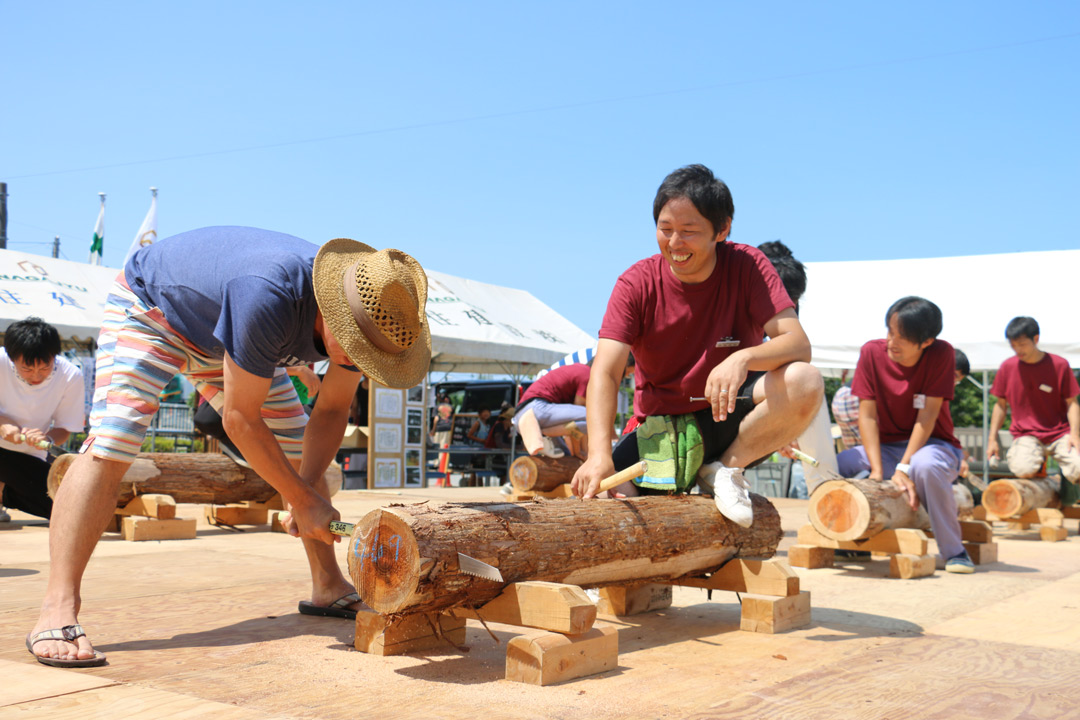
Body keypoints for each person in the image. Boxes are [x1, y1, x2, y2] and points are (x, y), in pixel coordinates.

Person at [26, 227, 431, 668]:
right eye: (354, 352)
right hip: (154, 309)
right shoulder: (268, 294)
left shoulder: (369, 310)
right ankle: (57, 607)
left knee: (298, 451)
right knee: (114, 441)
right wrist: (300, 498)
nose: (356, 363)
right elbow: (239, 419)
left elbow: (332, 410)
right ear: (333, 314)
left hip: (228, 333)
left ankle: (328, 586)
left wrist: (307, 490)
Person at [571, 164, 823, 528]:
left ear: (723, 229)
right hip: (662, 428)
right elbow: (606, 372)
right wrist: (597, 455)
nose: (675, 244)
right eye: (665, 229)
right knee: (611, 507)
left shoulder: (749, 265)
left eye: (689, 232)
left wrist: (743, 357)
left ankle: (725, 472)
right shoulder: (635, 283)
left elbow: (798, 344)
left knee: (805, 380)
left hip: (728, 416)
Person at [836, 296, 973, 573]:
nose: (891, 342)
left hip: (934, 445)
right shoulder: (871, 353)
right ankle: (853, 538)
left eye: (902, 337)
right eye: (889, 331)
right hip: (885, 449)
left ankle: (954, 550)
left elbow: (928, 416)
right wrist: (876, 472)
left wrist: (904, 466)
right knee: (838, 464)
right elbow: (867, 415)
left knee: (926, 466)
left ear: (926, 342)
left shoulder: (942, 354)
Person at [758, 240, 838, 496]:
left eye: (794, 301)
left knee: (809, 383)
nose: (789, 307)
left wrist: (790, 425)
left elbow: (790, 359)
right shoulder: (741, 293)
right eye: (784, 300)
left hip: (765, 385)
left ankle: (827, 494)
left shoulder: (786, 300)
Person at [0, 317, 86, 522]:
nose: (36, 376)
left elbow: (65, 428)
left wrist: (46, 440)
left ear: (54, 356)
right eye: (27, 369)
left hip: (28, 456)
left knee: (62, 509)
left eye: (44, 368)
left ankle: (3, 491)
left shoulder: (70, 376)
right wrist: (3, 424)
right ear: (11, 358)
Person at [986, 316, 1080, 505]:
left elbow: (1072, 403)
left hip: (1059, 432)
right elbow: (1000, 405)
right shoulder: (1007, 367)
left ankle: (1068, 496)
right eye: (1013, 345)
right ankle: (1045, 480)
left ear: (1036, 339)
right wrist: (992, 439)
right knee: (1022, 468)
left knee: (1078, 467)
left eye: (1022, 344)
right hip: (1026, 434)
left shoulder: (1059, 365)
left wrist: (1075, 434)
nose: (1017, 350)